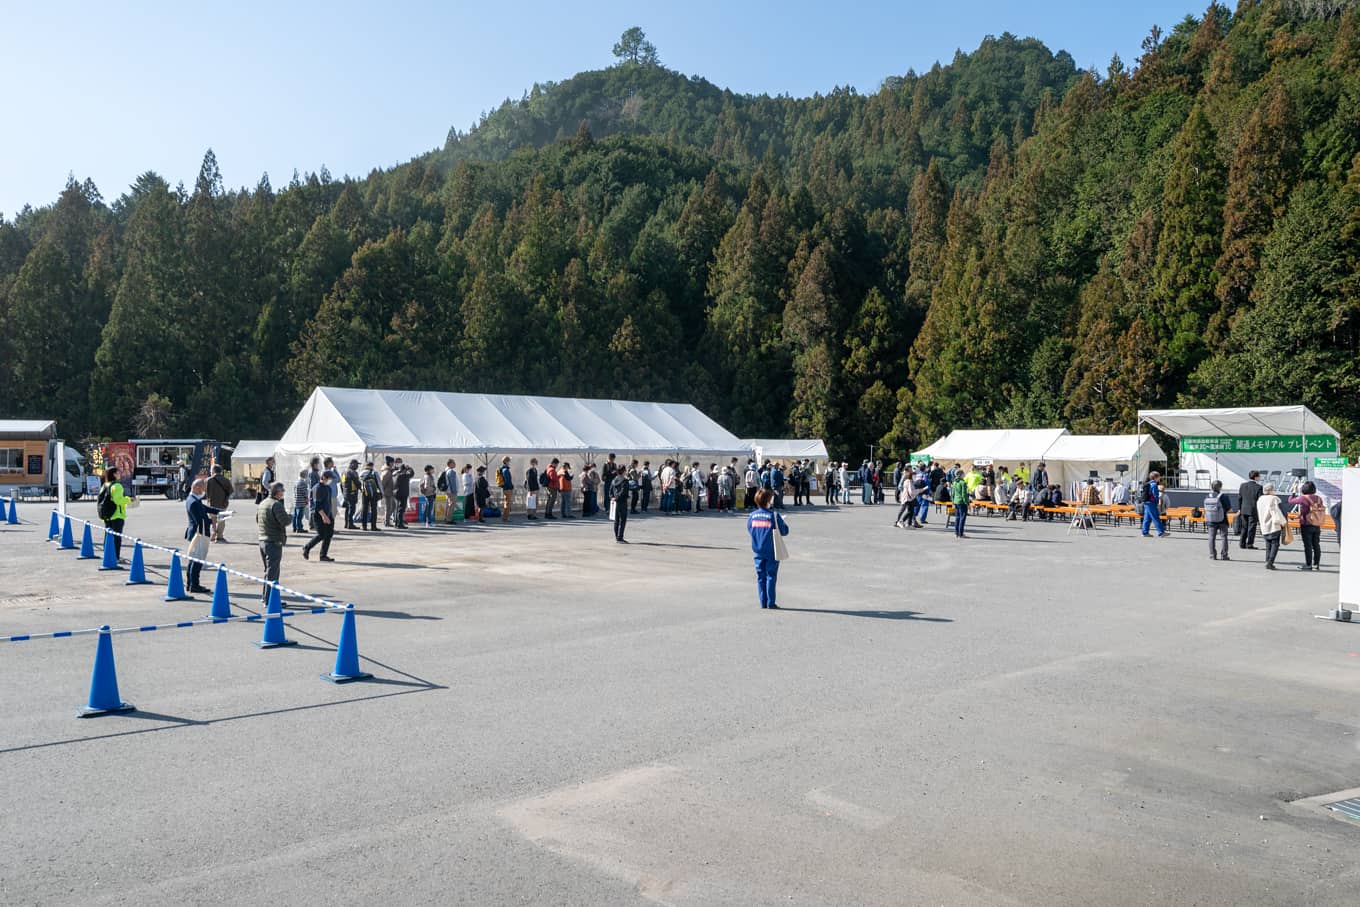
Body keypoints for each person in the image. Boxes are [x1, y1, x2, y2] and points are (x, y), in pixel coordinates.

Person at [747, 488, 789, 609]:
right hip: (771, 550)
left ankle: (763, 602)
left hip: (757, 550)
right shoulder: (773, 515)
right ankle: (771, 602)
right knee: (771, 576)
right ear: (768, 501)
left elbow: (750, 529)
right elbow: (785, 531)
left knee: (761, 576)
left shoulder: (752, 516)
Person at [183, 477, 220, 593]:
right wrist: (213, 520)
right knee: (197, 561)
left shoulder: (194, 499)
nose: (204, 491)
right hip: (199, 533)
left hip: (197, 532)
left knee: (193, 560)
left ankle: (191, 584)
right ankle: (194, 585)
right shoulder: (193, 501)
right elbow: (200, 521)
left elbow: (204, 508)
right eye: (203, 488)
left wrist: (219, 512)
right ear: (196, 487)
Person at [257, 481, 290, 604]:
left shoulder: (263, 503)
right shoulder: (276, 505)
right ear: (277, 492)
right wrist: (290, 516)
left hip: (263, 540)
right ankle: (270, 600)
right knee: (273, 573)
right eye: (282, 490)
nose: (283, 492)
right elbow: (285, 521)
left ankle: (266, 597)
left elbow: (257, 519)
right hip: (273, 541)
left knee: (268, 571)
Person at [1289, 481, 1326, 571]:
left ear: (1304, 489)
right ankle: (1316, 564)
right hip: (1316, 524)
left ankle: (1308, 564)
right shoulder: (1319, 498)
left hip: (1306, 524)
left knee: (1308, 545)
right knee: (1316, 545)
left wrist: (1294, 491)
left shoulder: (1303, 498)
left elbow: (1290, 500)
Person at [302, 471, 335, 561]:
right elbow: (317, 505)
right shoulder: (317, 488)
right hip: (318, 514)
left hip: (328, 513)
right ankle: (307, 547)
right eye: (329, 479)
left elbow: (328, 502)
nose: (330, 480)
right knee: (321, 534)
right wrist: (324, 516)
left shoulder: (328, 488)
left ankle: (323, 555)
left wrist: (329, 515)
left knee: (329, 534)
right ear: (324, 477)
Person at [1257, 483, 1286, 571]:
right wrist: (1284, 522)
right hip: (1274, 524)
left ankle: (1267, 560)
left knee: (1268, 543)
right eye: (1273, 489)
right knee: (1275, 544)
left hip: (1264, 524)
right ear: (1270, 490)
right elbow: (1281, 511)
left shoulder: (1260, 499)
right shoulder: (1274, 498)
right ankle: (1270, 562)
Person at [1204, 480, 1231, 561]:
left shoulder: (1207, 496)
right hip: (1222, 520)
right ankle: (1224, 555)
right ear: (1220, 487)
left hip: (1211, 520)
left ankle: (1212, 555)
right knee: (1224, 537)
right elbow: (1229, 509)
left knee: (1211, 537)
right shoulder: (1223, 496)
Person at [206, 464, 233, 541]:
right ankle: (220, 536)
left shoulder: (209, 480)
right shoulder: (226, 480)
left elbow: (206, 492)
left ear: (213, 470)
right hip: (223, 503)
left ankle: (213, 532)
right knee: (221, 520)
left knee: (213, 520)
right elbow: (231, 491)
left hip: (211, 503)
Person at [1237, 471, 1263, 550]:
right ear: (1255, 477)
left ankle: (1242, 543)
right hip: (1253, 509)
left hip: (1243, 509)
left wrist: (1239, 508)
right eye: (1259, 476)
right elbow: (1260, 500)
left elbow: (1239, 498)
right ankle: (1250, 544)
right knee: (1251, 527)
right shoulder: (1259, 487)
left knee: (1244, 527)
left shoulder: (1243, 485)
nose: (1260, 478)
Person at [1141, 471, 1166, 538]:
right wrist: (1157, 502)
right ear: (1155, 477)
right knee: (1155, 517)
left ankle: (1145, 532)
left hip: (1146, 502)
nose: (1160, 478)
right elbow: (1155, 495)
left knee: (1147, 518)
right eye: (1159, 477)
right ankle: (1161, 532)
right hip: (1151, 503)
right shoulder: (1154, 485)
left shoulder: (1148, 483)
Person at [609, 464, 630, 543]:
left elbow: (610, 491)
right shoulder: (625, 481)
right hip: (622, 501)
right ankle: (620, 537)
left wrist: (612, 497)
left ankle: (616, 536)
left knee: (616, 520)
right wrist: (618, 498)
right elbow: (623, 491)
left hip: (614, 502)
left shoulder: (613, 480)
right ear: (624, 471)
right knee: (622, 520)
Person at [360, 461, 381, 531]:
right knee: (374, 509)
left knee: (364, 509)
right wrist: (381, 493)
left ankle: (364, 526)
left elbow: (360, 483)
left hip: (364, 493)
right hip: (373, 493)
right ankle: (373, 526)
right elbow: (379, 483)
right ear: (372, 466)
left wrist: (362, 490)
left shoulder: (361, 473)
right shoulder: (374, 473)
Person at [393, 459, 414, 529]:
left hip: (396, 493)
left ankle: (396, 523)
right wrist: (409, 468)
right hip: (403, 494)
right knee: (401, 509)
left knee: (397, 509)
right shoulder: (404, 475)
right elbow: (412, 474)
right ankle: (400, 524)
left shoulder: (397, 474)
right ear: (405, 470)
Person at [951, 469, 970, 538]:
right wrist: (967, 502)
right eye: (963, 474)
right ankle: (961, 533)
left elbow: (953, 493)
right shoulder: (963, 483)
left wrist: (953, 501)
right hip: (962, 502)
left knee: (957, 517)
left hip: (956, 501)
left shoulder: (954, 482)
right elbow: (964, 494)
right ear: (961, 474)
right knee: (962, 518)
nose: (964, 475)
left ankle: (956, 533)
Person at [342, 460, 361, 529]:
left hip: (346, 493)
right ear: (352, 464)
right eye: (356, 464)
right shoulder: (352, 472)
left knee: (347, 509)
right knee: (352, 509)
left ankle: (346, 524)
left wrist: (343, 492)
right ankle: (350, 524)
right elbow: (357, 482)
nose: (357, 466)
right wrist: (362, 489)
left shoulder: (344, 472)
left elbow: (342, 484)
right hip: (352, 493)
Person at [497, 456, 514, 522]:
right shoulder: (506, 470)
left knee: (506, 503)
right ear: (506, 462)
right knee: (507, 504)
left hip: (505, 488)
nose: (509, 462)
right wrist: (511, 487)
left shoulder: (503, 469)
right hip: (507, 489)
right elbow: (508, 481)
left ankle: (505, 517)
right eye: (509, 461)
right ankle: (505, 518)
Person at [380, 457, 396, 527]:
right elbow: (383, 483)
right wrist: (382, 492)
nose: (393, 464)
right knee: (389, 508)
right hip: (387, 493)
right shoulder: (387, 472)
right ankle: (387, 522)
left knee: (393, 506)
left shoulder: (389, 471)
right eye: (392, 462)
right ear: (390, 463)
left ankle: (387, 520)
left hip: (390, 492)